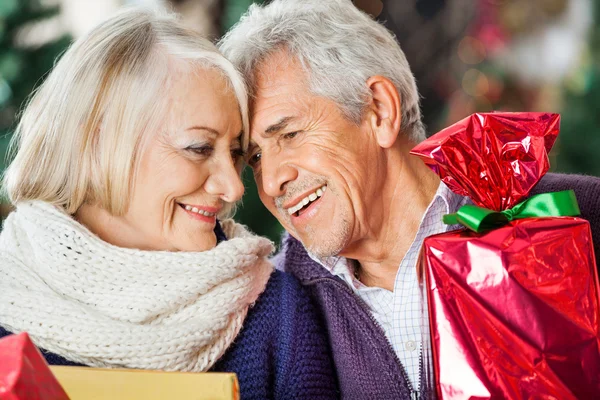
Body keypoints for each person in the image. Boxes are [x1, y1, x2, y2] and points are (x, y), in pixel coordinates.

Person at [218, 0, 600, 398]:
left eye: (290, 135)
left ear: (380, 111)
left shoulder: (575, 214)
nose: (272, 181)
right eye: (256, 158)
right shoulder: (276, 309)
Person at [0, 8, 339, 399]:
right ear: (94, 145)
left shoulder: (276, 315)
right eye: (198, 148)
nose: (233, 187)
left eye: (234, 153)